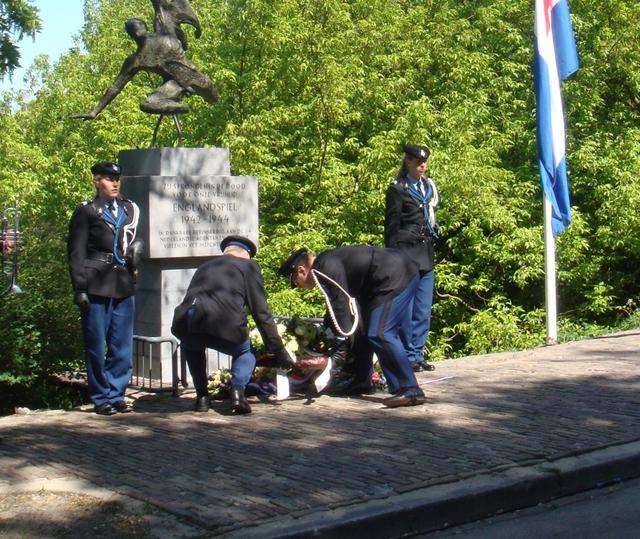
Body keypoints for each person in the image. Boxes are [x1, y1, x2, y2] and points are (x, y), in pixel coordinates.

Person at [278, 245, 427, 408]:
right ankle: (361, 379)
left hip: (393, 275)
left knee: (380, 332)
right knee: (363, 332)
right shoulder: (325, 263)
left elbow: (340, 302)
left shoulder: (322, 268)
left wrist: (339, 344)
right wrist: (330, 333)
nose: (297, 286)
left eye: (294, 281)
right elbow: (335, 305)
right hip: (384, 279)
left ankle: (410, 388)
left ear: (301, 270)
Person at [171, 236, 295, 414]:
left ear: (227, 252)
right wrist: (278, 350)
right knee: (245, 352)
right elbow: (261, 312)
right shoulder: (249, 267)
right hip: (227, 325)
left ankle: (202, 398)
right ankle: (238, 393)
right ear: (246, 255)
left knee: (192, 347)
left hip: (189, 322)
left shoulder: (205, 266)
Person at [67, 162, 143, 416]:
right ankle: (101, 398)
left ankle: (117, 393)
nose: (115, 183)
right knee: (96, 345)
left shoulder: (126, 209)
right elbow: (76, 252)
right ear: (97, 182)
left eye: (117, 179)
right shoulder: (87, 211)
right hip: (96, 282)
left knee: (121, 345)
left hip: (122, 282)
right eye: (109, 179)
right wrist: (80, 287)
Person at [71, 17, 219, 119]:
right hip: (175, 84)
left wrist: (189, 37)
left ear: (145, 26)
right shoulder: (135, 60)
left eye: (138, 26)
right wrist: (95, 111)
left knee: (214, 98)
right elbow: (116, 87)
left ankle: (179, 101)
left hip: (196, 80)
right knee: (148, 104)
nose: (137, 30)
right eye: (133, 29)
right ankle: (180, 106)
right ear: (131, 34)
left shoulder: (164, 36)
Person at [385, 144, 439, 373]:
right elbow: (391, 224)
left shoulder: (428, 187)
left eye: (424, 162)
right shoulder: (399, 188)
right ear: (407, 162)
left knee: (423, 308)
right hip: (405, 253)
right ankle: (408, 354)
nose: (422, 165)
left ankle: (418, 352)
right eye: (417, 162)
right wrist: (391, 255)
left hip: (425, 252)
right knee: (406, 308)